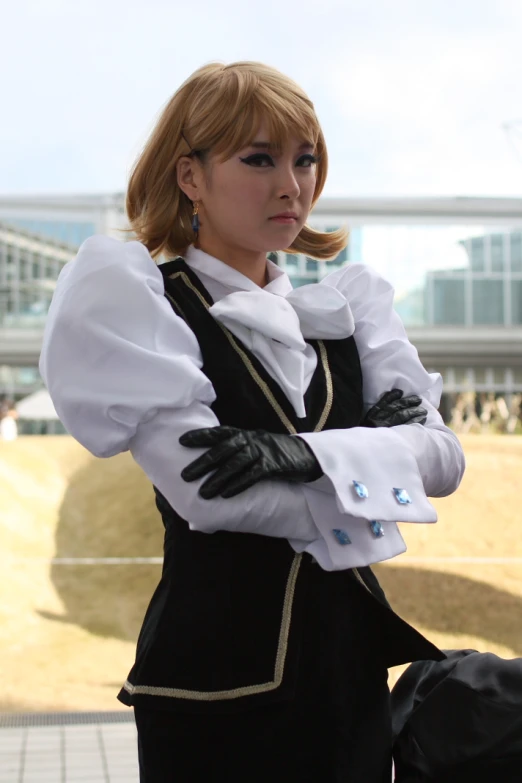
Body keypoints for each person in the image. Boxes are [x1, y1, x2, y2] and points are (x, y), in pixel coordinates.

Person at [39, 61, 465, 783]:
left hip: (349, 677)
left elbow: (445, 460)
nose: (290, 184)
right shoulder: (143, 303)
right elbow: (214, 496)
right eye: (258, 158)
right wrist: (375, 458)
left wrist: (302, 456)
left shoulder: (351, 309)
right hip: (212, 690)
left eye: (305, 160)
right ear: (191, 176)